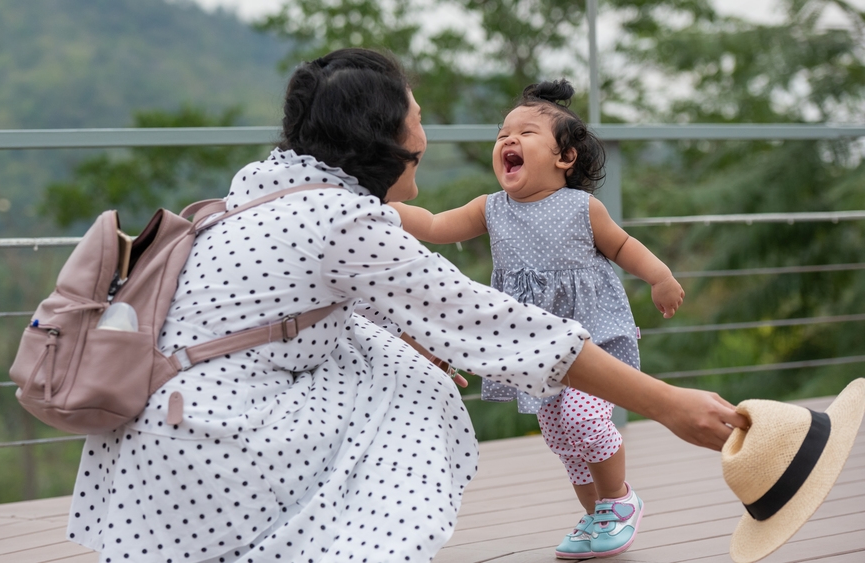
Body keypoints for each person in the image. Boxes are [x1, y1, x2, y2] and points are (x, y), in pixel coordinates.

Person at [66, 48, 744, 563]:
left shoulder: (262, 185)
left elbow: (317, 304)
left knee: (397, 355)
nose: (428, 127)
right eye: (416, 113)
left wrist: (414, 334)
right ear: (388, 136)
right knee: (414, 388)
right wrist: (666, 402)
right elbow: (503, 329)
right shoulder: (346, 222)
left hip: (149, 462)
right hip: (212, 466)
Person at [390, 79, 685, 559]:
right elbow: (436, 225)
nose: (508, 140)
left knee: (583, 417)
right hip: (531, 346)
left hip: (592, 335)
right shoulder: (492, 208)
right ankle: (595, 517)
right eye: (502, 133)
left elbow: (624, 247)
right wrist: (384, 206)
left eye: (526, 133)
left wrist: (660, 276)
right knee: (560, 434)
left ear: (564, 158)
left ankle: (619, 500)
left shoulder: (582, 208)